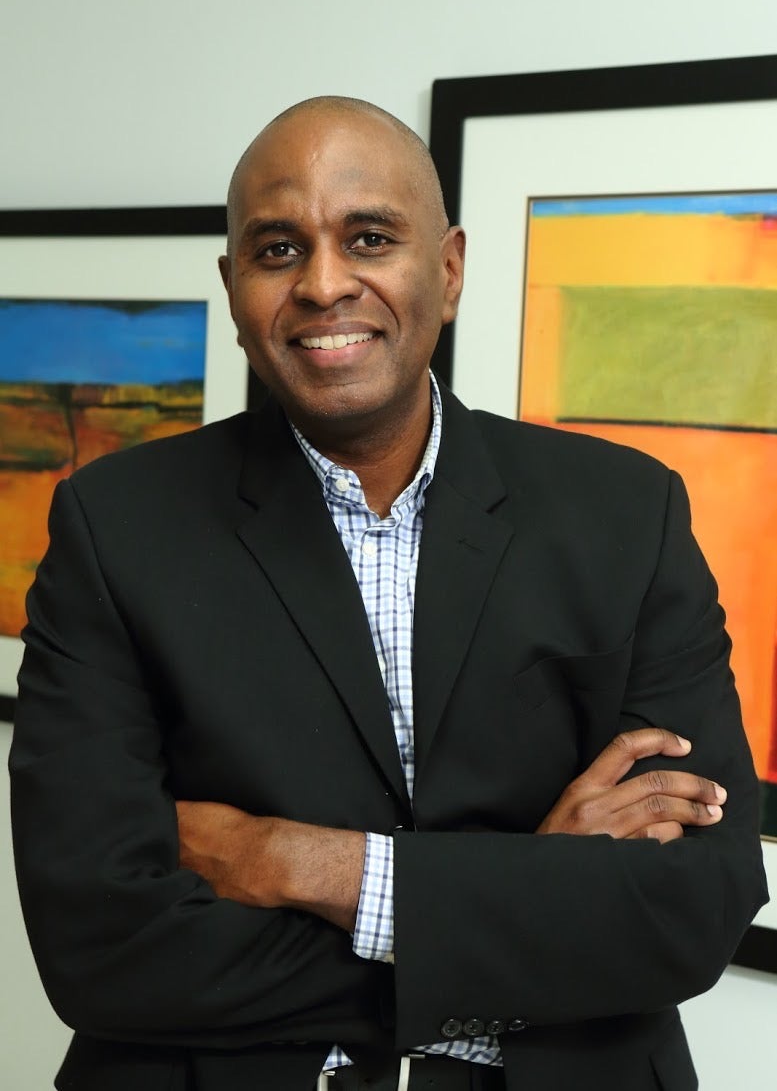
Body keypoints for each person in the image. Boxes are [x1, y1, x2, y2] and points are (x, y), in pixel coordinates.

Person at [10, 97, 767, 1091]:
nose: (325, 285)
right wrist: (519, 906)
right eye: (279, 250)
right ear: (234, 286)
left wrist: (302, 864)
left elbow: (695, 904)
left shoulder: (628, 512)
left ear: (447, 269)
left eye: (368, 238)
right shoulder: (113, 528)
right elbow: (98, 942)